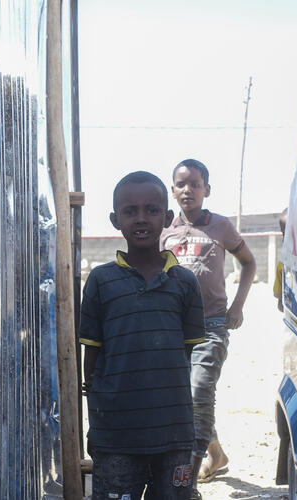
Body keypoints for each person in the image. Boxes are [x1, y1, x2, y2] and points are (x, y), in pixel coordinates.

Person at [80, 171, 206, 500]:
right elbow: (90, 361)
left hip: (173, 431)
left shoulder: (184, 282)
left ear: (166, 217)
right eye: (130, 210)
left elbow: (184, 357)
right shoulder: (100, 281)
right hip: (116, 435)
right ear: (114, 220)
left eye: (151, 210)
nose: (141, 218)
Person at [160, 159, 257, 488]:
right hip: (173, 330)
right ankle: (216, 453)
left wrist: (238, 306)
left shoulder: (220, 227)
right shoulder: (164, 231)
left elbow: (248, 262)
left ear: (207, 190)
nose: (188, 189)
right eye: (181, 184)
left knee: (200, 390)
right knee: (182, 398)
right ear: (172, 190)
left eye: (195, 184)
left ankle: (189, 474)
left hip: (212, 325)